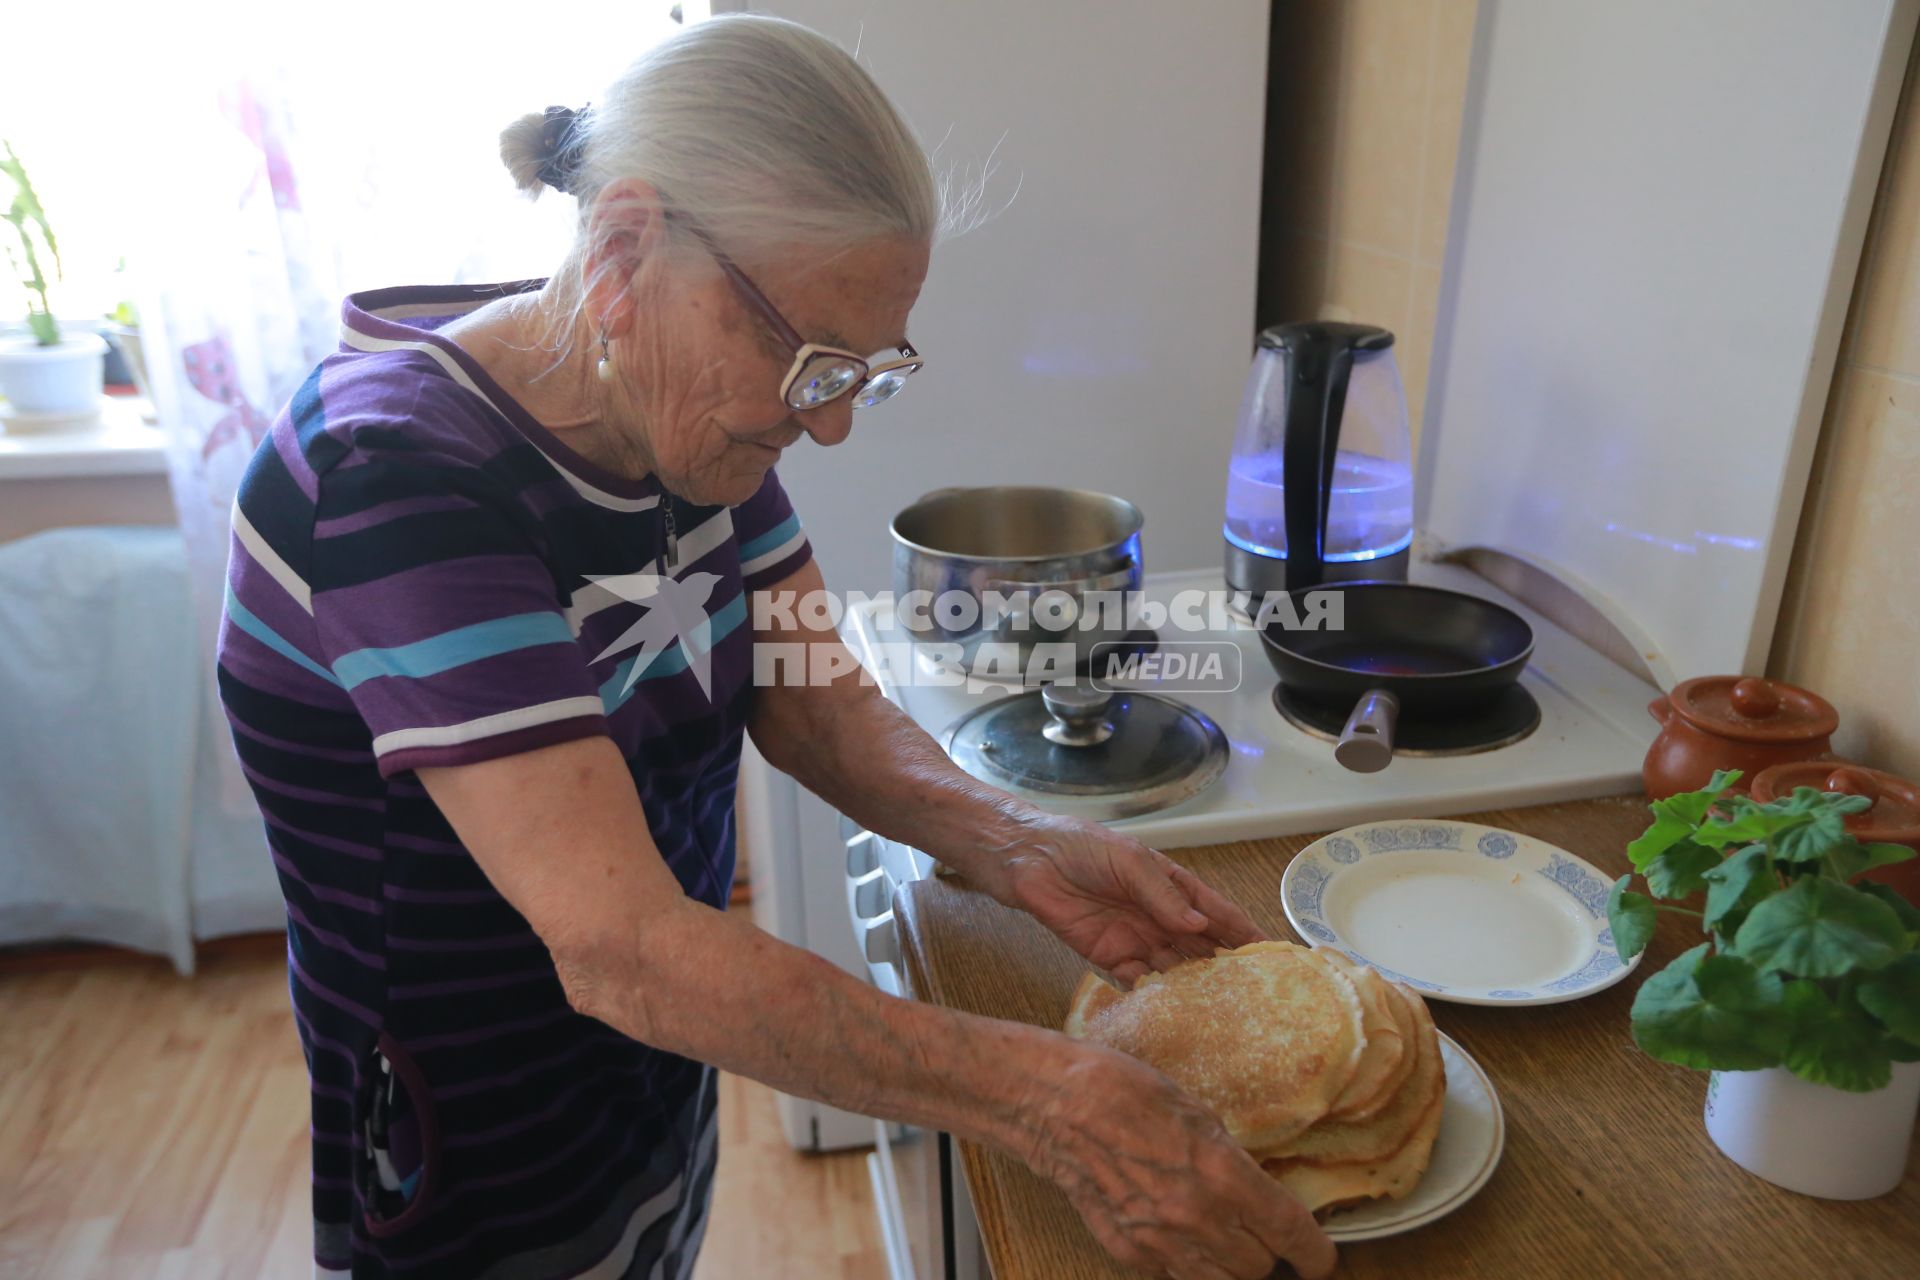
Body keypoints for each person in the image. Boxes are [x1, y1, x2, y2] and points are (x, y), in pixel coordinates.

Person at [219, 14, 1335, 1280]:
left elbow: (812, 698)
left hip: (658, 1064)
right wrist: (1049, 1096)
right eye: (813, 360)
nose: (838, 424)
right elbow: (623, 946)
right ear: (627, 247)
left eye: (864, 369)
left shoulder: (665, 406)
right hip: (467, 1134)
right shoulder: (397, 480)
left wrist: (1018, 839)